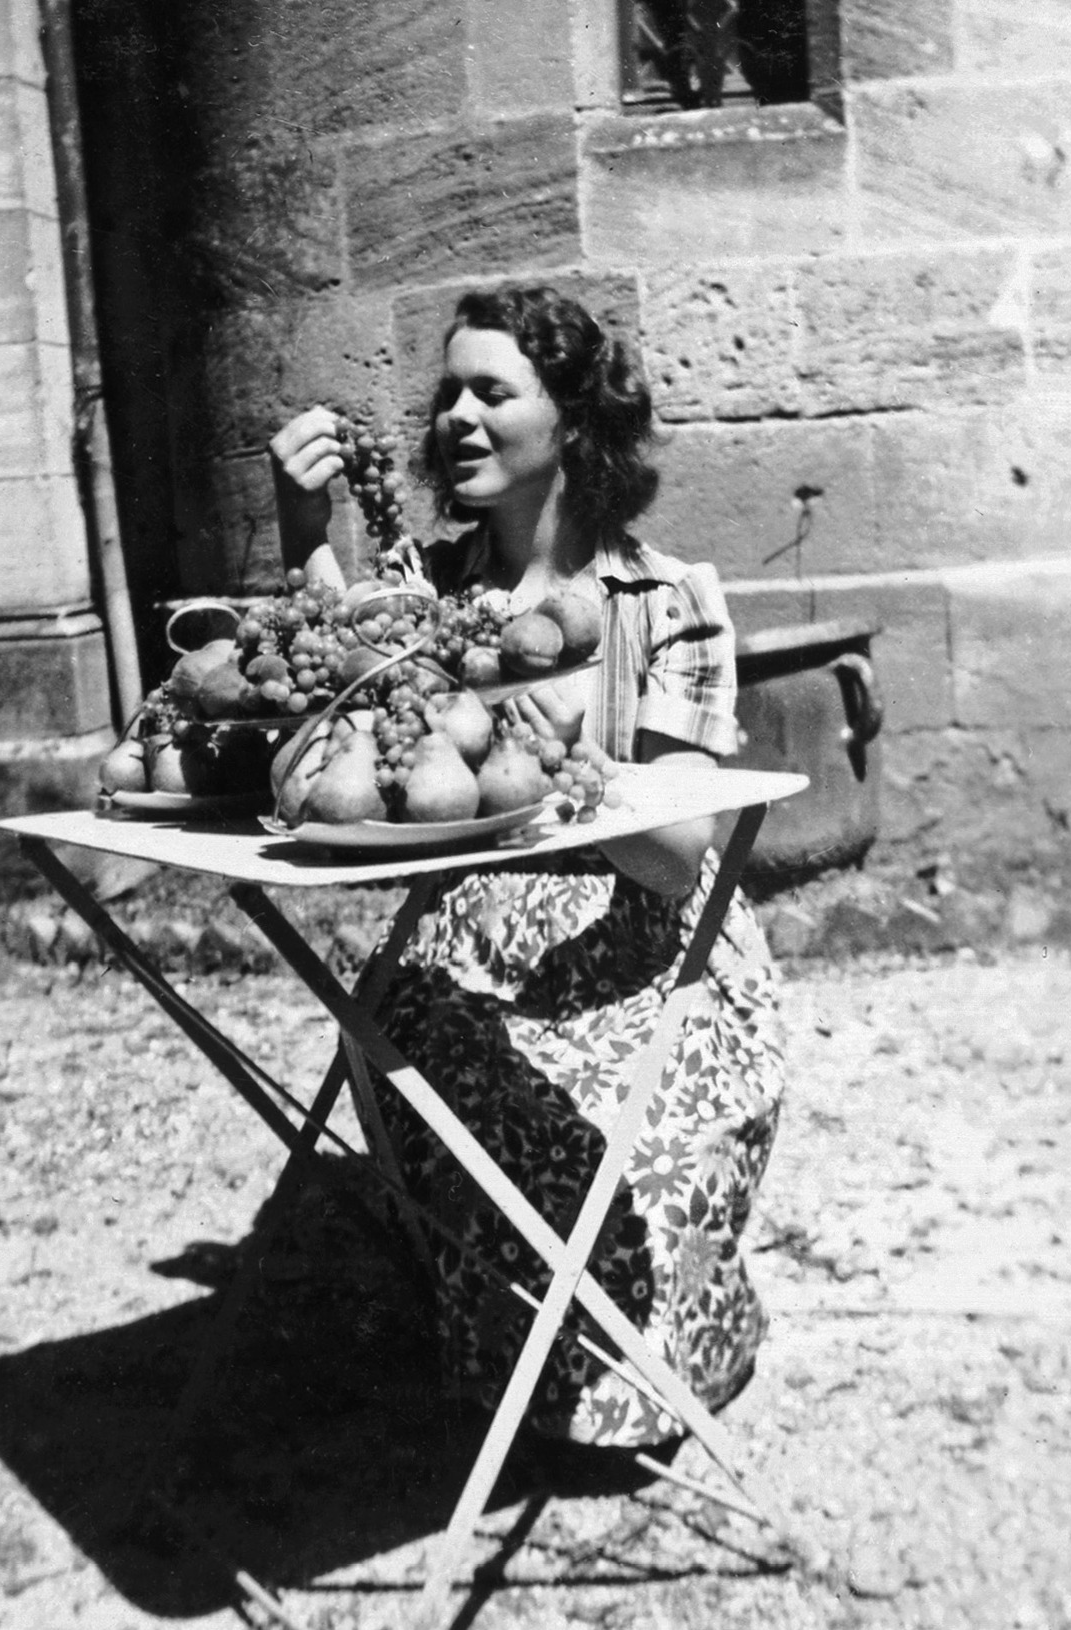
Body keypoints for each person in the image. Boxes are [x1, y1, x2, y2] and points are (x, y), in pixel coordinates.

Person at [269, 285, 784, 1450]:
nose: (453, 413)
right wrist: (304, 534)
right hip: (467, 955)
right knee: (432, 1065)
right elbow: (338, 722)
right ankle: (502, 1369)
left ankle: (629, 1370)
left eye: (489, 390)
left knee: (620, 1133)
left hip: (651, 956)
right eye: (444, 390)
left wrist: (550, 746)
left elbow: (671, 852)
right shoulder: (426, 590)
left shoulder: (665, 600)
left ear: (571, 423)